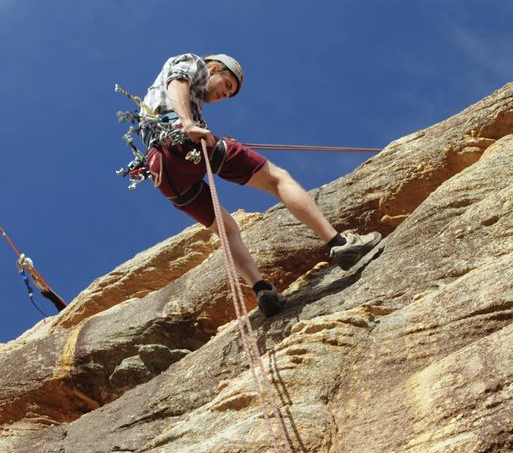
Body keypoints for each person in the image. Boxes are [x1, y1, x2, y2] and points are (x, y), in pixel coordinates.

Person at [141, 53, 381, 316]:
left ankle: (262, 290)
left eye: (228, 94)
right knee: (278, 179)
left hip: (164, 173)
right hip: (181, 140)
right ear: (213, 69)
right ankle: (340, 243)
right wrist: (188, 124)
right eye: (227, 86)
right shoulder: (193, 62)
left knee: (227, 228)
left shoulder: (185, 104)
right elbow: (178, 82)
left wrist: (207, 132)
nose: (224, 95)